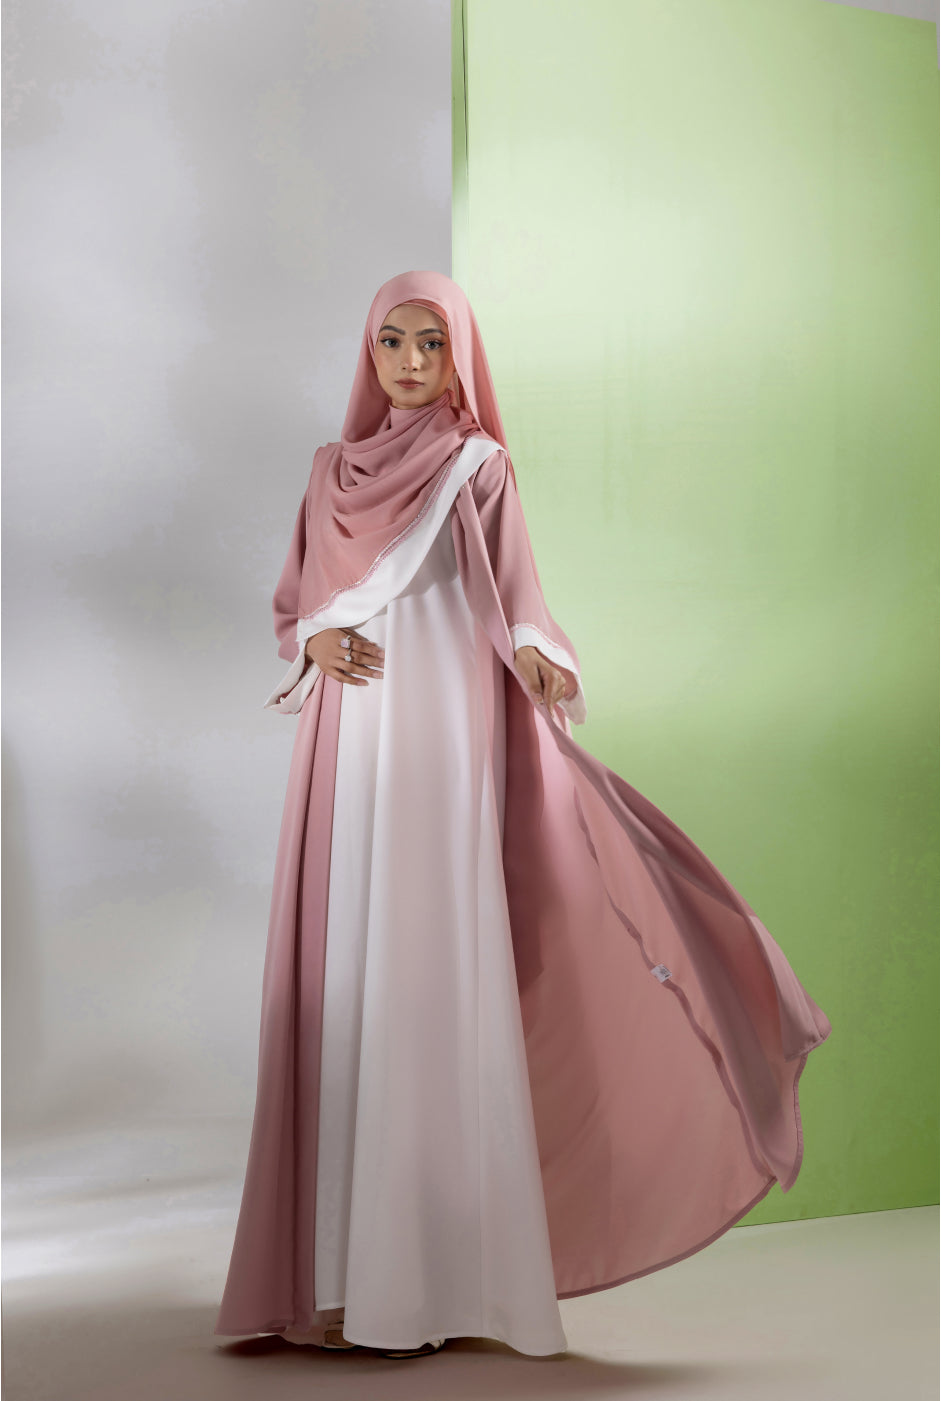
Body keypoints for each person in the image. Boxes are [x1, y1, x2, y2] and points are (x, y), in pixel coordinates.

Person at [213, 271, 832, 1362]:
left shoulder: (477, 465)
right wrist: (313, 637)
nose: (410, 363)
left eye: (432, 344)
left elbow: (519, 596)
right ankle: (335, 1283)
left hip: (446, 743)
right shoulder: (328, 472)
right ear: (369, 352)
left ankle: (439, 1283)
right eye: (392, 342)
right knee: (350, 971)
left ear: (461, 358)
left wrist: (542, 660)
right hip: (351, 753)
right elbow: (297, 597)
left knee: (432, 979)